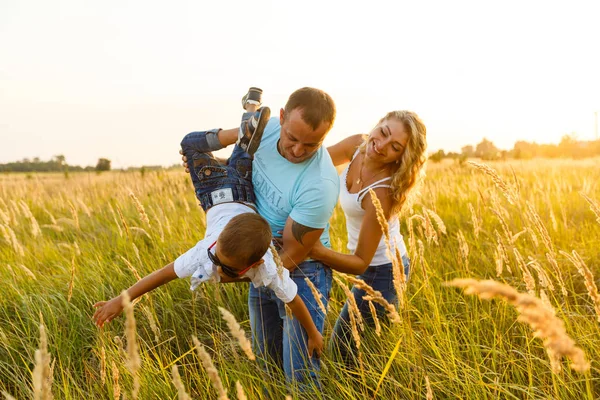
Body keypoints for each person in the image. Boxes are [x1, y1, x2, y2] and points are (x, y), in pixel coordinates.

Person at [93, 95, 324, 359]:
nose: (215, 265)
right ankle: (244, 129)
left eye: (225, 267)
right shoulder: (208, 250)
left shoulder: (268, 266)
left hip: (225, 187)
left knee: (212, 147)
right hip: (235, 188)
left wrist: (314, 334)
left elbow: (295, 301)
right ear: (218, 240)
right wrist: (121, 300)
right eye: (216, 258)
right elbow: (161, 275)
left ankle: (249, 117)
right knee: (190, 144)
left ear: (255, 266)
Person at [181, 87, 339, 390]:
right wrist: (209, 167)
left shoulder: (320, 185)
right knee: (267, 369)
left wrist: (225, 272)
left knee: (300, 378)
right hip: (257, 259)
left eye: (311, 144)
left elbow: (288, 259)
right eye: (292, 138)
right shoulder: (263, 130)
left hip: (300, 275)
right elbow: (240, 169)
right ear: (281, 118)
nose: (297, 151)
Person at [309, 110, 427, 363]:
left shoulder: (383, 192)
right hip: (368, 267)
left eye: (395, 147)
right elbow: (313, 161)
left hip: (385, 271)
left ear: (401, 157)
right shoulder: (357, 145)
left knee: (344, 351)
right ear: (378, 125)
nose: (381, 145)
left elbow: (361, 261)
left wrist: (314, 250)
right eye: (383, 132)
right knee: (354, 348)